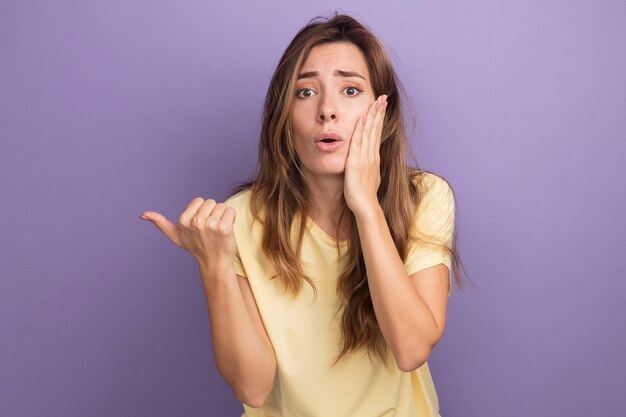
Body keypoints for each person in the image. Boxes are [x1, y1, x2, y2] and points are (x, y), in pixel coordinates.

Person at [140, 13, 463, 417]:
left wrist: (366, 206)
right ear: (283, 117)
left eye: (349, 89)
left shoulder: (425, 197)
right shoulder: (241, 217)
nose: (327, 110)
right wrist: (215, 266)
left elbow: (412, 348)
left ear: (381, 114)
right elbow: (253, 387)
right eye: (305, 93)